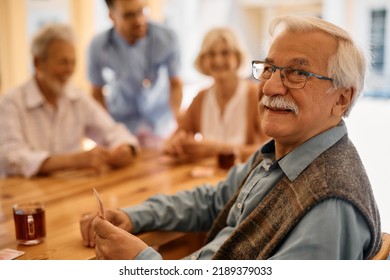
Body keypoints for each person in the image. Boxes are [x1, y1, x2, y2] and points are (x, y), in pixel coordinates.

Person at [80, 15, 382, 260]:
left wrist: (143, 262)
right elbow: (214, 200)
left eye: (296, 73)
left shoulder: (330, 205)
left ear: (342, 99)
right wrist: (133, 216)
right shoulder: (281, 152)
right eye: (270, 69)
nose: (270, 87)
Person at [0, 23, 139, 178]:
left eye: (73, 62)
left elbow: (112, 131)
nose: (69, 70)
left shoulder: (77, 97)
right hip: (23, 198)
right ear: (38, 63)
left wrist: (125, 148)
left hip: (69, 192)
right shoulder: (10, 103)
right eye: (63, 62)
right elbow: (9, 157)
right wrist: (73, 160)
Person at [163, 27, 269, 161]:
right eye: (211, 54)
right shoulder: (200, 98)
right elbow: (174, 139)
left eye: (225, 53)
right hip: (207, 178)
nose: (218, 60)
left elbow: (270, 150)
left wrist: (216, 150)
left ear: (237, 57)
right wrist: (175, 145)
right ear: (203, 60)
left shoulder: (256, 96)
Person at [88, 0, 183, 147]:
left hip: (160, 124)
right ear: (112, 16)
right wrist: (108, 130)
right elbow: (96, 93)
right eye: (129, 15)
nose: (139, 20)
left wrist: (179, 124)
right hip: (122, 125)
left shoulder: (167, 38)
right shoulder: (98, 46)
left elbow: (175, 84)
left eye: (142, 11)